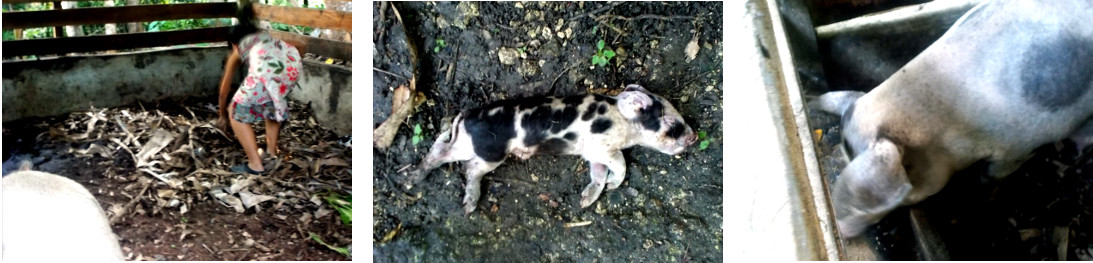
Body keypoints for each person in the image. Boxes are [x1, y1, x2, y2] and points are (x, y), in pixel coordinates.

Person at [216, 22, 303, 175]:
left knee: (234, 110)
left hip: (267, 73)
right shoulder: (269, 39)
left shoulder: (238, 49)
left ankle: (255, 165)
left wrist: (223, 114)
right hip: (291, 72)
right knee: (272, 103)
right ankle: (271, 152)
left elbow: (225, 88)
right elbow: (300, 44)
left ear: (234, 43)